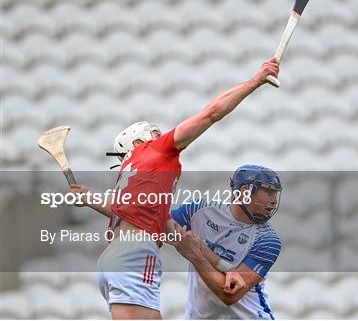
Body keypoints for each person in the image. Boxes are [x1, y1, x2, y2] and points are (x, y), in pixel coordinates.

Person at [69, 57, 280, 319]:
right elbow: (212, 112)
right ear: (138, 142)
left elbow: (159, 222)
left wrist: (89, 198)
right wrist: (256, 80)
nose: (161, 136)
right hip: (136, 255)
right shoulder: (157, 151)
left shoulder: (132, 173)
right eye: (154, 133)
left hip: (112, 259)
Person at [169, 164, 282, 320]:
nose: (274, 201)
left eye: (275, 194)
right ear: (245, 192)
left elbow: (229, 295)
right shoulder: (198, 211)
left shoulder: (268, 240)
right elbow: (159, 224)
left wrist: (195, 255)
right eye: (269, 192)